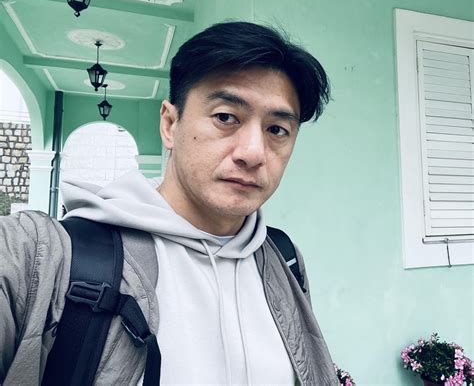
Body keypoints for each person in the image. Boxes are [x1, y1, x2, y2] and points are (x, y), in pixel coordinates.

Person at [0, 21, 339, 385]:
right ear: (170, 124)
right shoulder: (42, 256)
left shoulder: (284, 259)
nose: (253, 153)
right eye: (225, 117)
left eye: (277, 130)